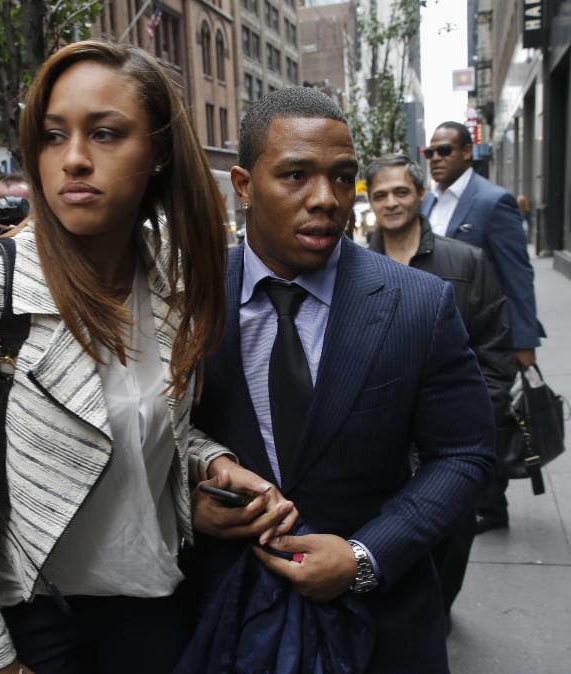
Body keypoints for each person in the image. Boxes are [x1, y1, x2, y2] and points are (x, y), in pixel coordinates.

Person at [0, 40, 294, 674]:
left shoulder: (174, 274)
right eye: (54, 136)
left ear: (158, 152)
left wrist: (208, 463)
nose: (74, 159)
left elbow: (144, 425)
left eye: (105, 133)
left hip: (158, 606)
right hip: (34, 623)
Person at [190, 88, 495, 672]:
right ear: (244, 186)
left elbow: (464, 454)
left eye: (342, 176)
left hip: (383, 628)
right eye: (296, 175)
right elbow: (155, 441)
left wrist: (364, 556)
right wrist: (188, 501)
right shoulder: (188, 300)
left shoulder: (418, 305)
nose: (326, 199)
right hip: (220, 620)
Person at [365, 153, 515, 620]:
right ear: (370, 203)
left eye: (401, 192)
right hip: (377, 446)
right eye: (381, 194)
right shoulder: (346, 266)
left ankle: (438, 615)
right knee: (380, 549)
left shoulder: (466, 262)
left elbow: (495, 351)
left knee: (450, 545)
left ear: (421, 196)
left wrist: (471, 423)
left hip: (448, 448)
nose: (392, 202)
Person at [423, 121, 544, 533]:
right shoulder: (426, 203)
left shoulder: (494, 202)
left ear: (466, 153)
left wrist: (524, 340)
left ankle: (491, 507)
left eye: (444, 150)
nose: (436, 158)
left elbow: (518, 274)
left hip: (484, 330)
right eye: (430, 153)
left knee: (485, 418)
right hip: (441, 332)